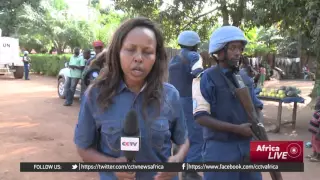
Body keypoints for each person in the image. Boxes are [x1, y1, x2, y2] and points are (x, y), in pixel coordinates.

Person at [74, 17, 190, 180]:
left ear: (156, 57)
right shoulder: (95, 95)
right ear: (117, 52)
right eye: (130, 49)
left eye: (147, 52)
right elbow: (83, 149)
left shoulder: (171, 95)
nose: (138, 58)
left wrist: (177, 160)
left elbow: (183, 140)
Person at [192, 26, 263, 180]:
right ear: (220, 51)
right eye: (233, 48)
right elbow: (201, 117)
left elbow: (256, 105)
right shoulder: (205, 78)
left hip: (248, 148)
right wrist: (237, 129)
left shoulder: (244, 78)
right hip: (220, 150)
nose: (238, 52)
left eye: (240, 48)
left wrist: (259, 126)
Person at [168, 30, 203, 180]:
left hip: (172, 101)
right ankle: (191, 171)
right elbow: (199, 73)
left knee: (180, 134)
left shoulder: (174, 58)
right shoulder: (194, 56)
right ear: (195, 44)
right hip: (188, 101)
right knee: (197, 136)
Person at [307, 97, 320, 162]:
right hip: (314, 131)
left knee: (317, 144)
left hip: (317, 133)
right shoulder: (317, 112)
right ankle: (314, 154)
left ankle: (318, 156)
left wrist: (318, 134)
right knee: (313, 142)